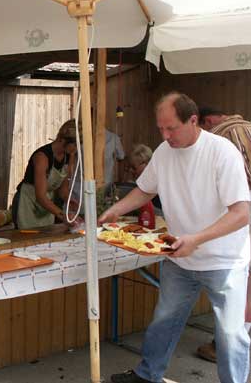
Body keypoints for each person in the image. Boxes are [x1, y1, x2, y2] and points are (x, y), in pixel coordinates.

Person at [100, 92, 250, 383]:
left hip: (225, 261)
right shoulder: (163, 152)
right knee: (164, 320)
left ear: (193, 120)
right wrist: (116, 210)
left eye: (171, 128)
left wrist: (197, 239)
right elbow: (146, 189)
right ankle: (147, 375)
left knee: (231, 334)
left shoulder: (222, 152)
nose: (165, 136)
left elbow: (241, 213)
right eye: (161, 128)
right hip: (179, 257)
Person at [196, 107, 251, 363]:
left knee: (239, 284)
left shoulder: (225, 136)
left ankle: (226, 347)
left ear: (206, 121)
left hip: (243, 217)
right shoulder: (248, 127)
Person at [13, 119, 78, 229]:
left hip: (46, 207)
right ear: (63, 140)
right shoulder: (42, 157)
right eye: (75, 145)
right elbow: (41, 197)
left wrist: (68, 199)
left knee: (46, 235)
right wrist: (64, 216)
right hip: (27, 203)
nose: (76, 149)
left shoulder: (68, 156)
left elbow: (63, 189)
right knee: (27, 237)